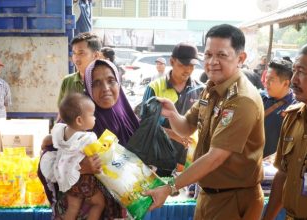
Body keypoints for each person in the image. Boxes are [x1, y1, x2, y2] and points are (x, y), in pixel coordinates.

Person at [144, 24, 265, 220]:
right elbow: (186, 128)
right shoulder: (212, 88)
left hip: (233, 199)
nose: (212, 62)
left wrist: (170, 187)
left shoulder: (242, 99)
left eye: (221, 55)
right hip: (209, 194)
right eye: (208, 55)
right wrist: (173, 114)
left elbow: (216, 157)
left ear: (240, 59)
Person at [39, 59, 139, 219]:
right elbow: (45, 158)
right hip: (82, 209)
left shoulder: (128, 118)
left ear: (119, 82)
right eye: (96, 83)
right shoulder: (77, 115)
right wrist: (79, 166)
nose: (105, 88)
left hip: (120, 210)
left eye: (111, 80)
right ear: (88, 87)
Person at [140, 43, 204, 176]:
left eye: (191, 66)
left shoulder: (200, 89)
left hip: (189, 160)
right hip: (158, 159)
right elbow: (145, 126)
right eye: (182, 65)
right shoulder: (154, 88)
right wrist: (175, 134)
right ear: (172, 61)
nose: (187, 70)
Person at [41, 92, 105, 220]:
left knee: (73, 208)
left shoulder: (61, 131)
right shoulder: (87, 138)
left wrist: (44, 143)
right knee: (99, 203)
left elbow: (49, 139)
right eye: (92, 115)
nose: (95, 118)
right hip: (83, 181)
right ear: (80, 120)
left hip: (67, 179)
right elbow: (98, 151)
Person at [263, 44, 307, 220]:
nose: (294, 80)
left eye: (302, 72)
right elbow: (282, 174)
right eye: (295, 71)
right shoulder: (292, 118)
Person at [261, 58, 296, 158]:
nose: (266, 82)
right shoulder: (259, 98)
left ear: (286, 83)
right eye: (266, 78)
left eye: (271, 79)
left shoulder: (295, 107)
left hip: (273, 166)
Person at [57, 32, 101, 106]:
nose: (76, 58)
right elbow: (61, 113)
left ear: (96, 55)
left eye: (81, 53)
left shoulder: (105, 83)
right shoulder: (67, 81)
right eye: (74, 53)